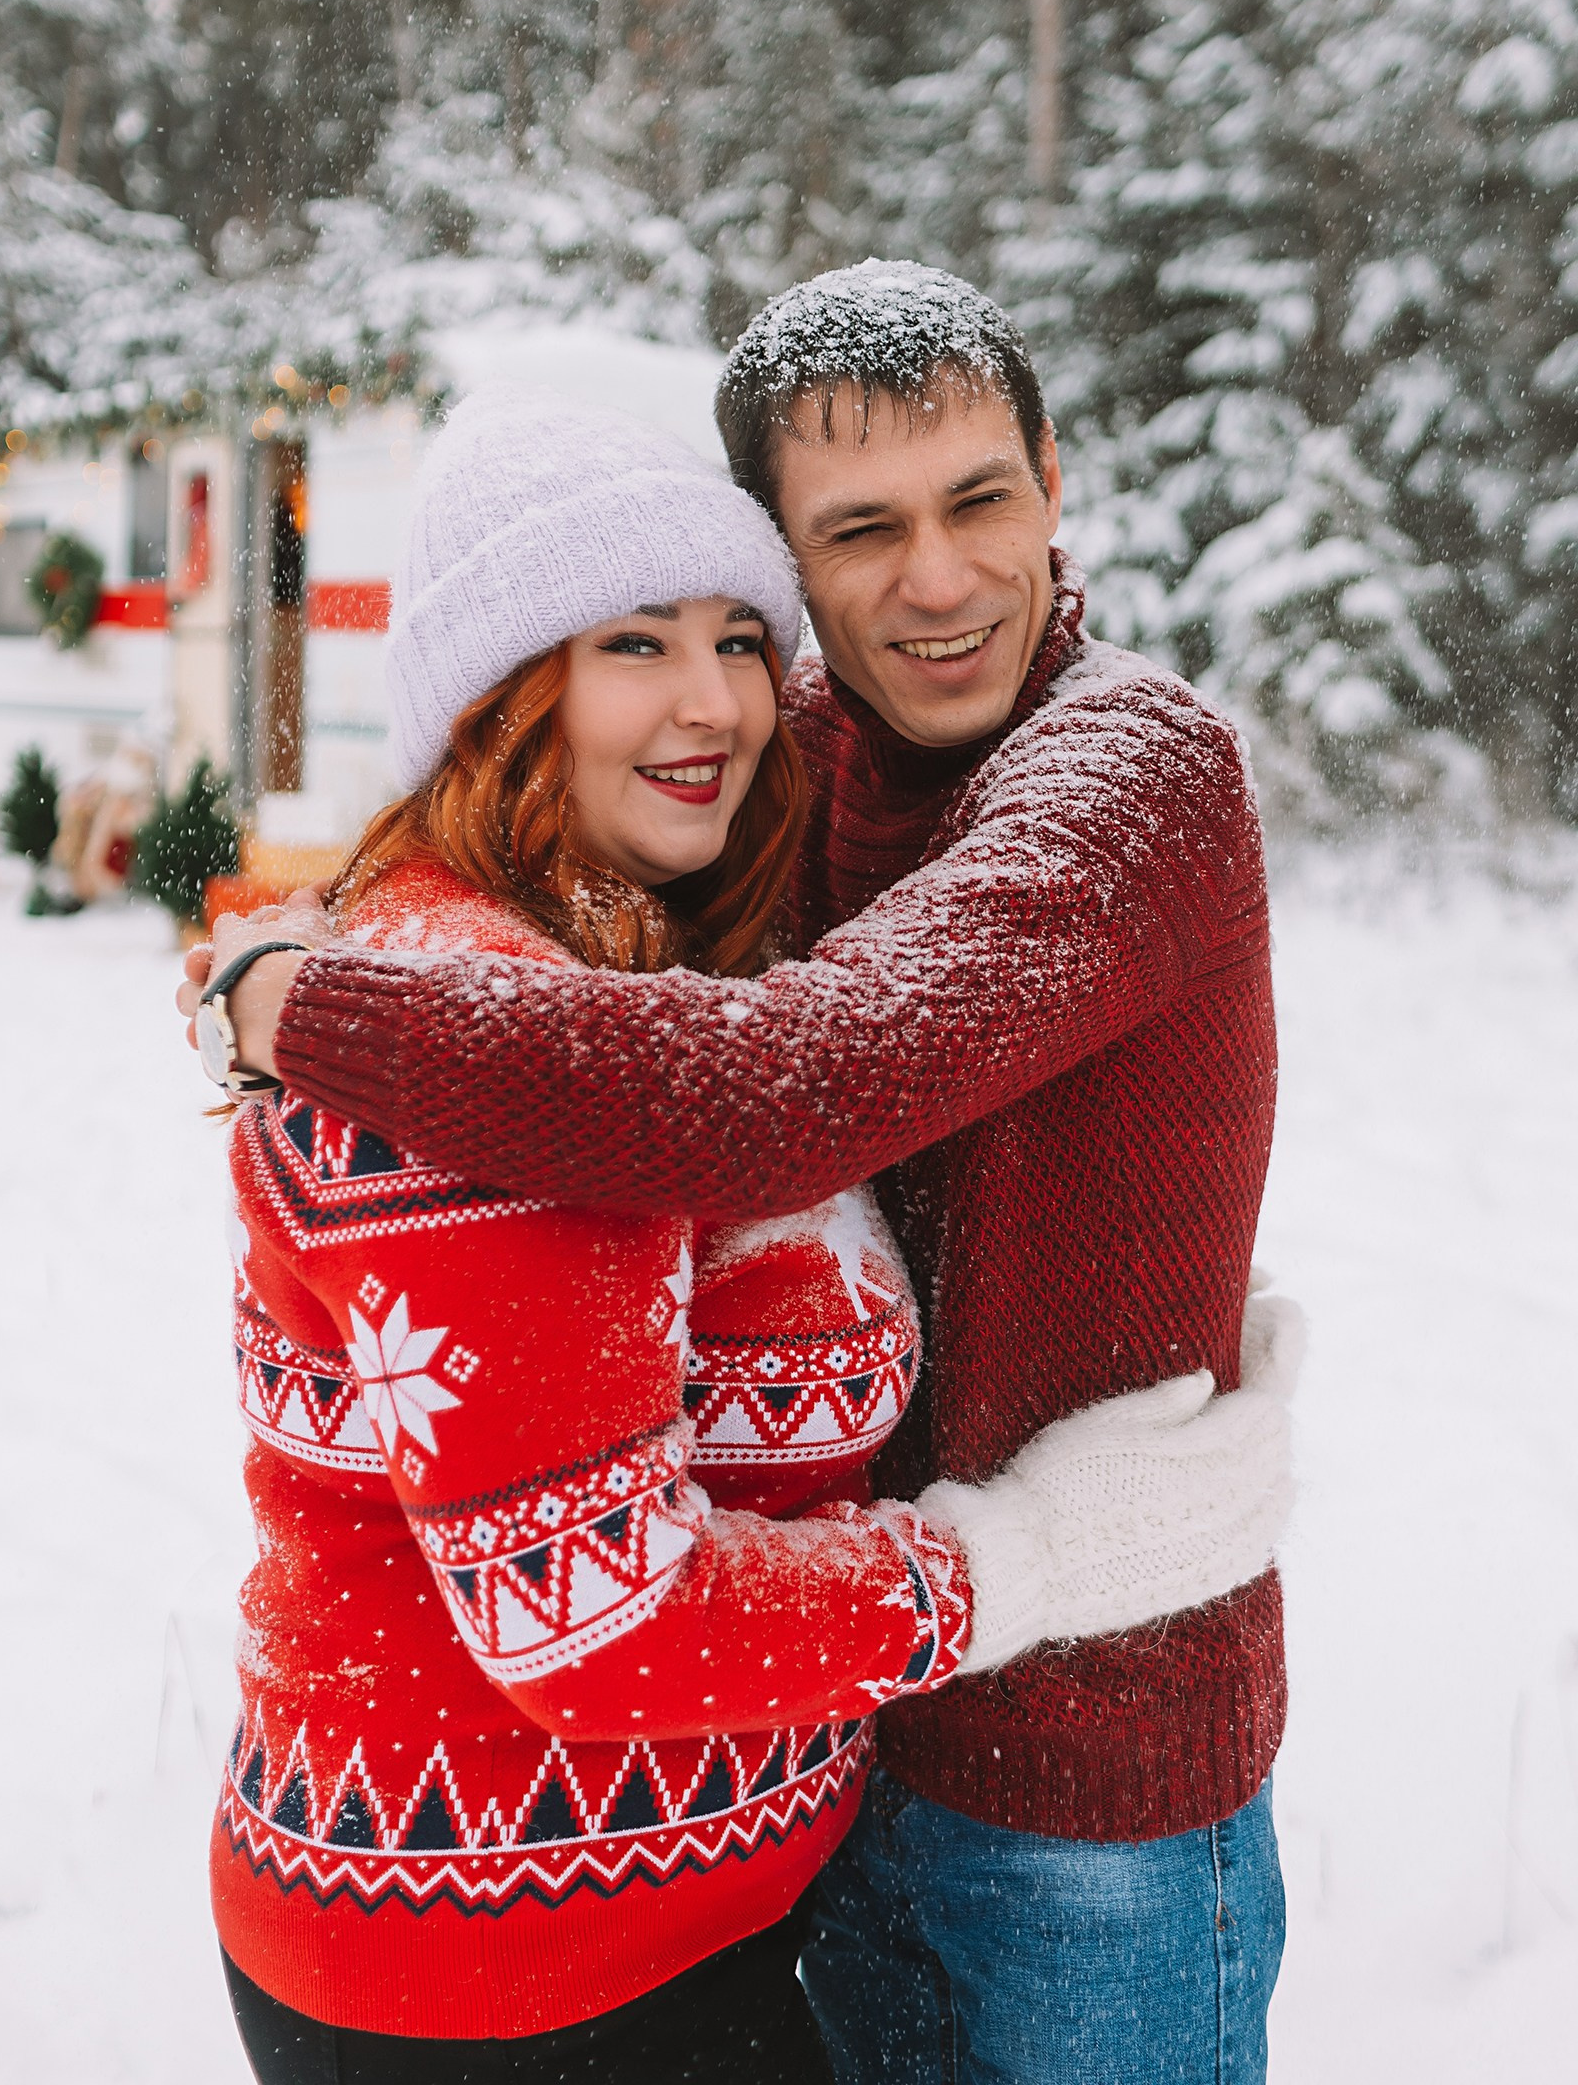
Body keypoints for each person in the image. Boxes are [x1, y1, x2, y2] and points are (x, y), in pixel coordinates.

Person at [185, 270, 1298, 2085]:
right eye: (859, 531)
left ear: (1055, 486)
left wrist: (300, 1000)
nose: (937, 580)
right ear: (793, 561)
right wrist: (330, 959)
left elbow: (774, 1089)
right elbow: (573, 916)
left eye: (980, 500)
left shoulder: (1129, 773)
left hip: (1077, 1784)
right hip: (807, 1783)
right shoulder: (788, 758)